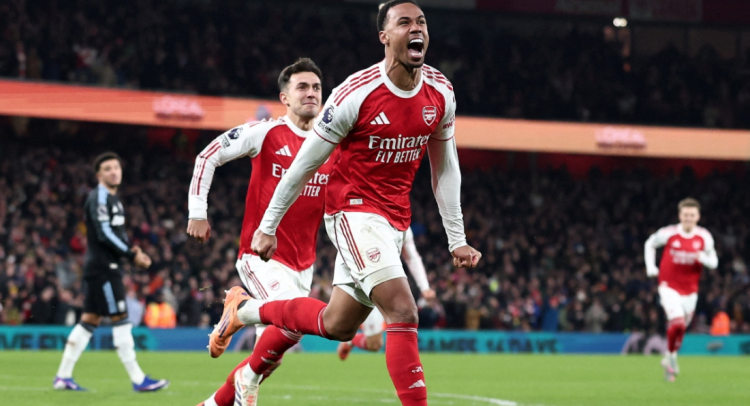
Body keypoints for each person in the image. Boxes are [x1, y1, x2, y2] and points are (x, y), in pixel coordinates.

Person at [212, 2, 482, 405]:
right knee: (403, 311)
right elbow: (305, 163)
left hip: (394, 219)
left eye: (422, 22)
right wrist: (268, 226)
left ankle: (245, 311)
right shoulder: (355, 93)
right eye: (404, 22)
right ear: (384, 37)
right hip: (351, 211)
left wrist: (456, 237)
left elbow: (445, 167)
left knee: (336, 324)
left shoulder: (441, 92)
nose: (416, 29)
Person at [186, 58, 333, 406]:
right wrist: (197, 212)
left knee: (270, 357)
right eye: (302, 87)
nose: (311, 93)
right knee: (293, 321)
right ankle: (240, 307)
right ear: (285, 97)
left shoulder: (331, 143)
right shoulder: (264, 132)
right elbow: (207, 157)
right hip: (261, 255)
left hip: (304, 263)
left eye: (316, 87)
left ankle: (212, 403)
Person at [53, 152, 169, 392]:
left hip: (104, 267)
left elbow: (116, 234)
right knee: (121, 319)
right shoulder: (99, 197)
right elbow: (104, 233)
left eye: (116, 167)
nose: (114, 172)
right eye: (107, 169)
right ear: (99, 175)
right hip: (104, 269)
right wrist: (131, 255)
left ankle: (63, 377)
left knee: (89, 320)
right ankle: (138, 379)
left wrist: (131, 250)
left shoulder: (114, 199)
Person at [644, 197, 718, 382]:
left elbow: (714, 262)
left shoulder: (704, 236)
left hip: (690, 290)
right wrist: (651, 267)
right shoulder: (669, 233)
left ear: (698, 216)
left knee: (681, 328)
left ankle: (670, 357)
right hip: (669, 286)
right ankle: (670, 359)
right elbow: (649, 243)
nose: (688, 218)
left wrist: (703, 258)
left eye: (692, 215)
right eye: (685, 215)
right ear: (680, 215)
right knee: (676, 322)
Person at [337, 227, 435, 359]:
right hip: (365, 280)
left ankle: (351, 341)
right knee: (368, 341)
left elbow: (412, 257)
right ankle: (349, 339)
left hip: (389, 282)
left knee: (376, 344)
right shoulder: (366, 219)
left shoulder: (403, 225)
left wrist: (425, 287)